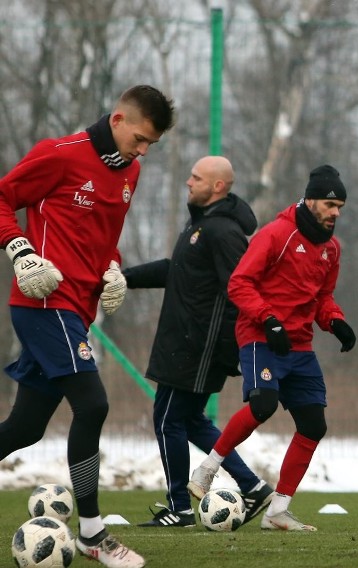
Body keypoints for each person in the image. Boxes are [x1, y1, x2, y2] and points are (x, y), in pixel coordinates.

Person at [0, 85, 175, 568]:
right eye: (139, 138)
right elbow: (2, 197)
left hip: (77, 309)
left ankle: (93, 535)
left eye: (150, 145)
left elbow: (105, 237)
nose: (142, 151)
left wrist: (113, 267)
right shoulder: (58, 155)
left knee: (25, 428)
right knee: (93, 404)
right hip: (43, 304)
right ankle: (94, 535)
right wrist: (20, 251)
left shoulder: (130, 172)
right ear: (117, 119)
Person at [187, 164, 357, 532]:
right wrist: (268, 319)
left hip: (300, 346)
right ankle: (206, 469)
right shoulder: (276, 234)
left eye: (340, 206)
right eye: (330, 204)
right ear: (310, 200)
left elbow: (323, 298)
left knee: (313, 425)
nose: (335, 213)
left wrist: (335, 321)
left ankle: (277, 510)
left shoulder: (331, 249)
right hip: (260, 336)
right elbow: (239, 284)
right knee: (262, 404)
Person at [122, 156, 274, 528]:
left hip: (199, 345)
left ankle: (180, 507)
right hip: (185, 340)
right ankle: (251, 486)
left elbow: (240, 289)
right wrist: (121, 278)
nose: (188, 182)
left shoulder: (223, 232)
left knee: (168, 419)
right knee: (189, 420)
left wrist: (229, 347)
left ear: (218, 186)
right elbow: (175, 270)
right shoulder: (201, 226)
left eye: (196, 177)